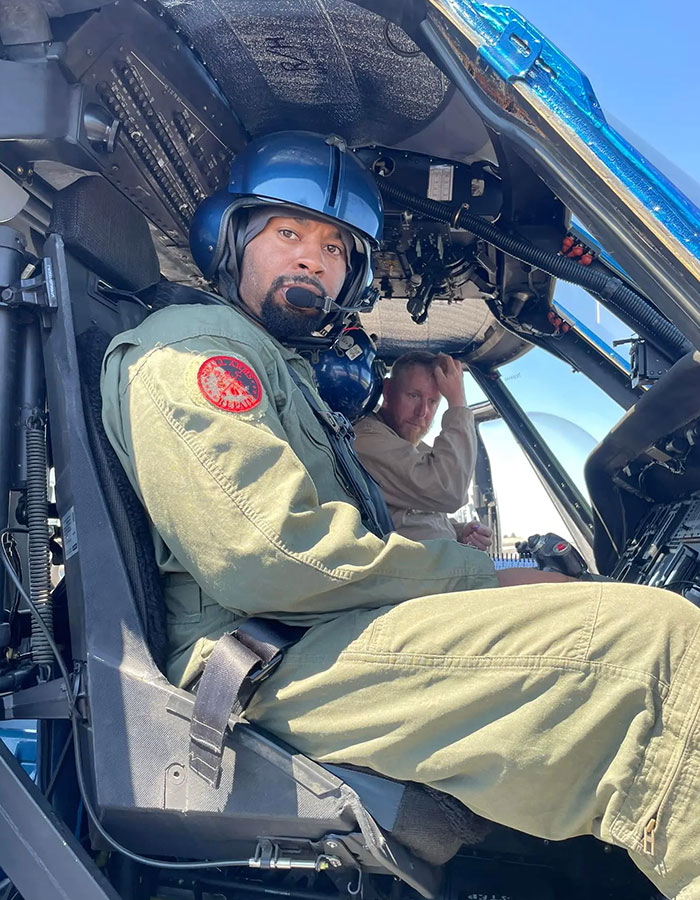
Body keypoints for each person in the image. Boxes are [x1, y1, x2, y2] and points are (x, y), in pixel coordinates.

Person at [101, 131, 700, 900]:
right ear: (230, 239)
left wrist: (500, 571)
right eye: (288, 233)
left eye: (335, 247)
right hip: (268, 654)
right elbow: (270, 557)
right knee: (653, 650)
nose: (313, 259)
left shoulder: (275, 365)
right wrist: (487, 576)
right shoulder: (195, 351)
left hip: (303, 629)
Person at [354, 349, 492, 548]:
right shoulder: (367, 439)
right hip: (411, 565)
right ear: (387, 390)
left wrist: (458, 532)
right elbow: (450, 492)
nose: (422, 412)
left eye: (432, 401)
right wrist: (457, 402)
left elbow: (407, 519)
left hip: (433, 560)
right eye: (414, 396)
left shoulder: (408, 446)